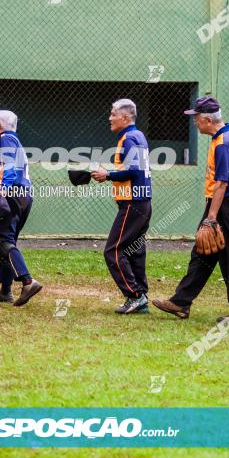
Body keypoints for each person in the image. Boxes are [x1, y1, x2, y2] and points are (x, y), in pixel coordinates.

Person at [152, 97, 229, 321]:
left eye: (197, 118)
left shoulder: (224, 142)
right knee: (204, 253)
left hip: (223, 204)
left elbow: (222, 183)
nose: (195, 122)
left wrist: (211, 217)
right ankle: (181, 302)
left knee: (228, 257)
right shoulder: (224, 136)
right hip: (223, 203)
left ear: (208, 119)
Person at [91, 98, 152, 314]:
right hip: (141, 203)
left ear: (125, 118)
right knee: (134, 250)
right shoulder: (137, 136)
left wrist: (107, 174)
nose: (110, 117)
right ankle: (141, 296)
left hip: (133, 204)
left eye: (113, 113)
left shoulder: (129, 138)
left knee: (113, 250)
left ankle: (135, 296)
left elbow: (134, 171)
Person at [0, 110, 42, 306]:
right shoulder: (15, 139)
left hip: (13, 194)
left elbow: (10, 169)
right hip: (25, 195)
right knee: (7, 241)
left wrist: (2, 191)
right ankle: (5, 290)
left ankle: (28, 281)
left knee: (3, 239)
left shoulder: (4, 138)